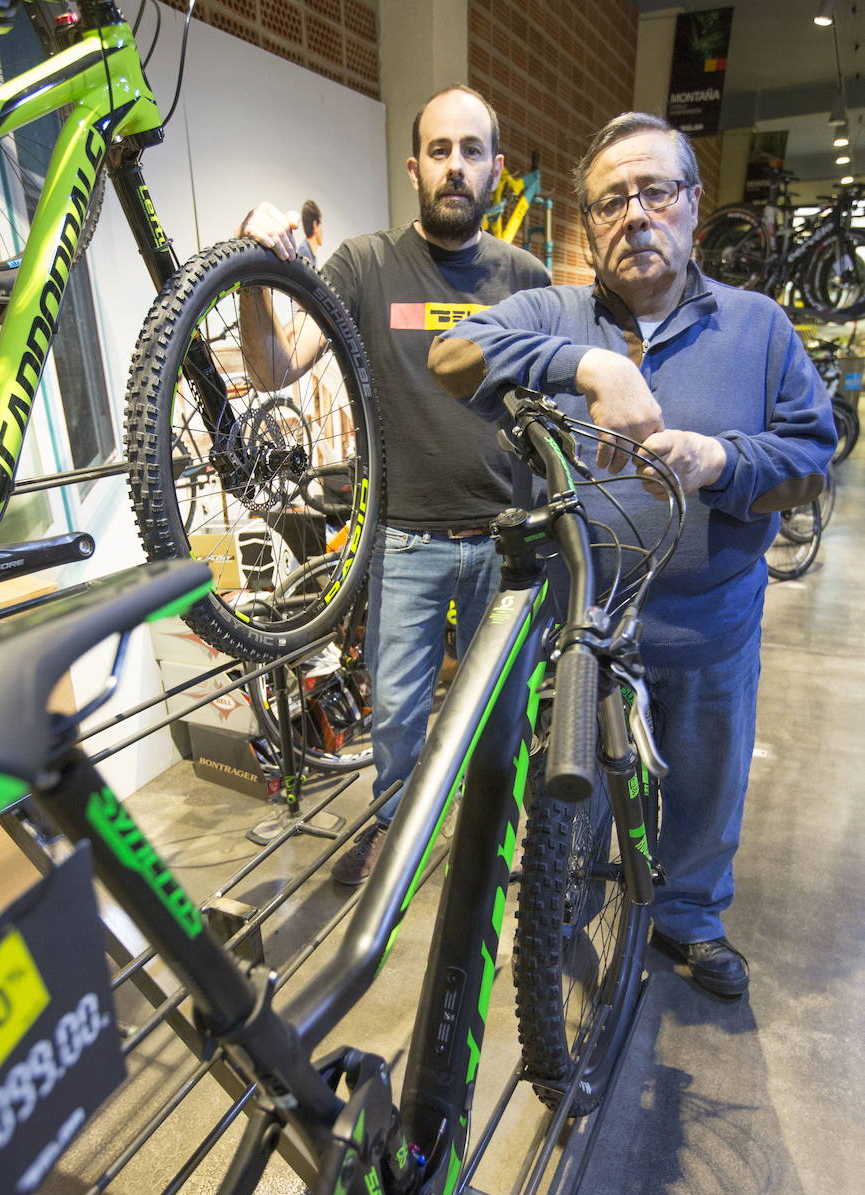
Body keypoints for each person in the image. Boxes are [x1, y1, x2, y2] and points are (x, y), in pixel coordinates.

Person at [429, 111, 834, 998]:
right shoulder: (555, 310)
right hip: (581, 627)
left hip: (706, 624)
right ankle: (566, 903)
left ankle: (688, 916)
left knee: (702, 782)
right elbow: (452, 353)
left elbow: (810, 460)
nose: (635, 215)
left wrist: (719, 461)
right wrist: (590, 366)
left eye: (655, 191)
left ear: (692, 205)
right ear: (588, 226)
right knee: (567, 793)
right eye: (611, 201)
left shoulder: (757, 328)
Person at [237, 85, 550, 884]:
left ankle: (493, 836)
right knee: (399, 715)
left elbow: (559, 405)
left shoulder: (525, 278)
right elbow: (275, 367)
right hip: (405, 537)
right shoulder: (366, 265)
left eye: (471, 152)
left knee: (501, 716)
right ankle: (393, 829)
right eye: (439, 151)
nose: (455, 168)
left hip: (507, 542)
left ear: (494, 169)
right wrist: (249, 272)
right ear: (413, 167)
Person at [297, 199, 322, 264]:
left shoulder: (311, 254)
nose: (322, 231)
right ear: (315, 225)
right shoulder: (304, 251)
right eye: (320, 225)